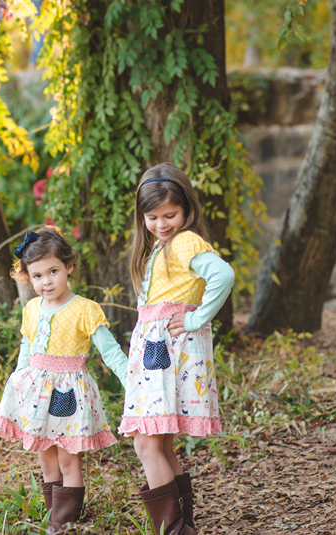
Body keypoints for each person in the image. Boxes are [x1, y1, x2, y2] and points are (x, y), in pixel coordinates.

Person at [117, 163, 235, 535]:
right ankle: (184, 526)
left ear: (187, 210)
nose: (162, 223)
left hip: (169, 352)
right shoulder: (159, 247)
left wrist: (197, 318)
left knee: (146, 445)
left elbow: (224, 275)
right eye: (152, 217)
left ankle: (175, 530)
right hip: (157, 355)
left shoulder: (184, 242)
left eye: (170, 215)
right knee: (160, 445)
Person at [0, 226, 129, 535]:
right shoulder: (31, 309)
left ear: (69, 267)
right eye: (37, 276)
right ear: (29, 277)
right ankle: (55, 513)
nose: (46, 282)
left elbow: (110, 351)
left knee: (68, 457)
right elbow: (27, 347)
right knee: (45, 455)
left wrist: (130, 380)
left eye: (53, 271)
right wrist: (17, 381)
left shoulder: (84, 309)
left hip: (68, 393)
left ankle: (64, 521)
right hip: (37, 394)